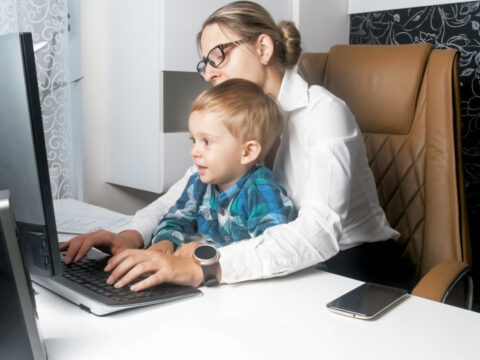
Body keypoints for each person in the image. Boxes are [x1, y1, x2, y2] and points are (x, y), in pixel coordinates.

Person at [60, 1, 402, 291]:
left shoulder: (324, 112)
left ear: (263, 49)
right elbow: (180, 194)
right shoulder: (235, 122)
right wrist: (132, 236)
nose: (209, 74)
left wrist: (206, 266)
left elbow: (320, 233)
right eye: (205, 64)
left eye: (218, 56)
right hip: (285, 265)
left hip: (355, 271)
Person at [149, 78, 295, 257]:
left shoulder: (261, 190)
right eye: (193, 140)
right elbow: (176, 220)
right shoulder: (198, 184)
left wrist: (208, 254)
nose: (195, 151)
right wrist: (165, 240)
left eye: (207, 142)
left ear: (247, 152)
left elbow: (269, 248)